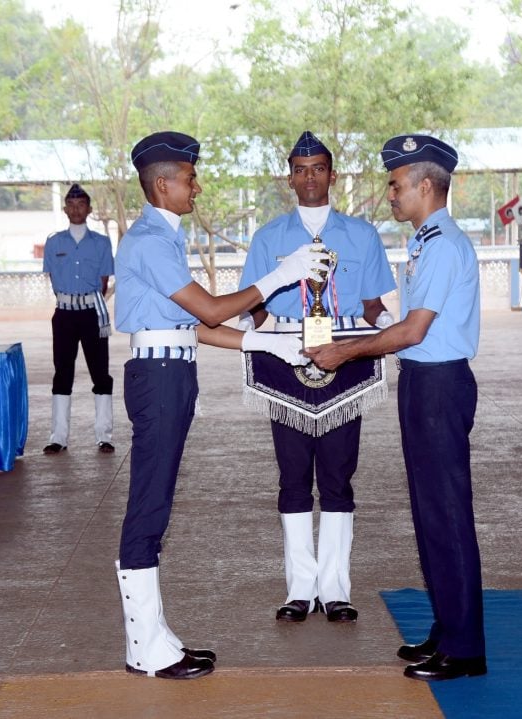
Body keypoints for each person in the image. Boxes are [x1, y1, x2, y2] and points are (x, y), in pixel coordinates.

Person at [114, 130, 328, 680]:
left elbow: (193, 326)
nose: (197, 187)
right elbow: (209, 309)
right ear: (162, 184)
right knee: (150, 503)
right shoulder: (149, 240)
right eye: (189, 179)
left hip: (170, 369)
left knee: (158, 500)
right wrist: (281, 275)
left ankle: (156, 634)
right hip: (159, 377)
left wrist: (262, 341)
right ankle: (143, 646)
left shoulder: (162, 236)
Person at [305, 134, 486, 681]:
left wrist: (343, 351)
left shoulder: (444, 244)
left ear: (426, 186)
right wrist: (364, 324)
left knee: (447, 513)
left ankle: (466, 648)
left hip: (439, 386)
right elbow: (400, 324)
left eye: (395, 184)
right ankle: (448, 626)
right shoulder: (426, 242)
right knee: (430, 511)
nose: (390, 194)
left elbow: (414, 331)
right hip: (423, 383)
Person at [237, 131, 396, 625]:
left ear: (333, 174)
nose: (310, 177)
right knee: (291, 478)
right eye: (301, 169)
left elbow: (375, 303)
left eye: (319, 168)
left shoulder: (362, 235)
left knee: (337, 476)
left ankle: (336, 588)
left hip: (343, 355)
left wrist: (394, 330)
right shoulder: (268, 238)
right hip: (286, 357)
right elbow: (253, 306)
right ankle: (299, 588)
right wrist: (264, 338)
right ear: (290, 177)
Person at [42, 183, 116, 455]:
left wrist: (84, 300)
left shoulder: (101, 243)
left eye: (81, 205)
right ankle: (58, 437)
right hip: (64, 315)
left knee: (100, 373)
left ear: (89, 209)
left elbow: (104, 281)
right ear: (65, 209)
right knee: (62, 373)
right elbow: (52, 278)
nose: (76, 209)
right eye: (71, 205)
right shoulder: (54, 242)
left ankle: (104, 435)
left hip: (91, 314)